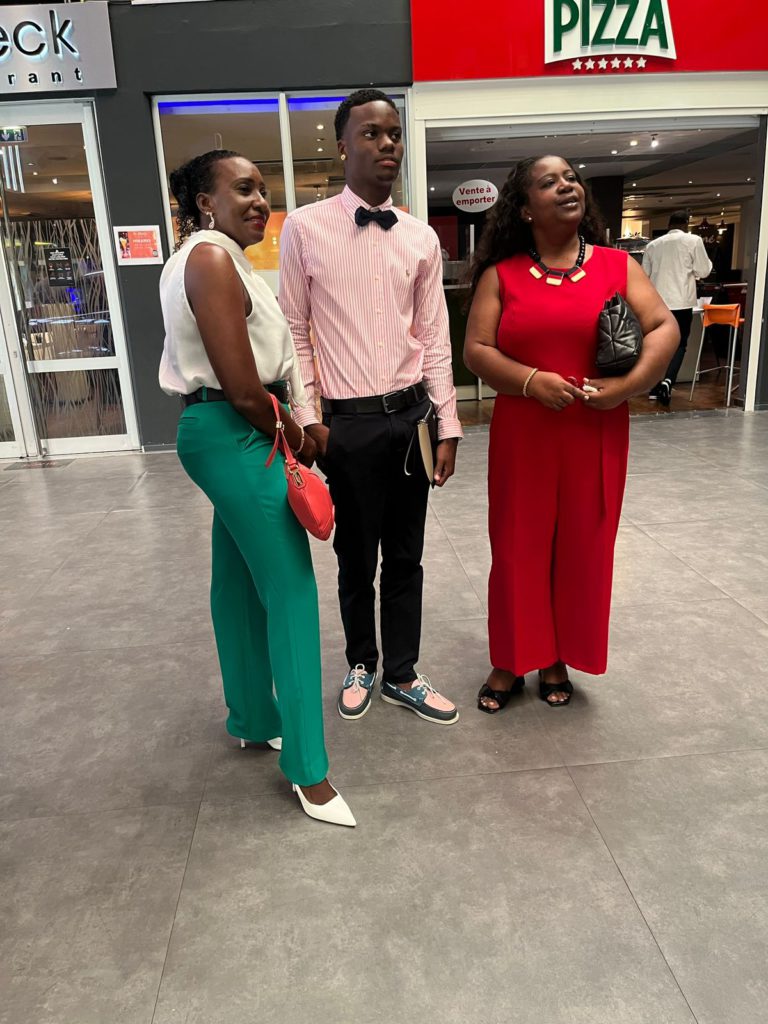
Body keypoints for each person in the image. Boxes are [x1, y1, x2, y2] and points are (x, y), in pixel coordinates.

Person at [158, 150, 355, 827]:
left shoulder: (217, 260)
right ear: (204, 202)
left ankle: (250, 715)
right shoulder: (210, 259)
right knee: (292, 594)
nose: (259, 201)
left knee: (239, 579)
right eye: (242, 189)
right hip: (238, 428)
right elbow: (245, 388)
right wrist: (300, 438)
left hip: (231, 428)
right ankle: (308, 771)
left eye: (262, 190)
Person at [464, 155, 678, 711]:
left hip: (595, 430)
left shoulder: (616, 265)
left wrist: (628, 386)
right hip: (525, 433)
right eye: (549, 182)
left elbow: (664, 326)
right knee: (518, 546)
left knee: (584, 546)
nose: (566, 186)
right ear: (525, 208)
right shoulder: (501, 275)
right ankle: (512, 656)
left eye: (571, 179)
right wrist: (530, 381)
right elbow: (477, 350)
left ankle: (557, 655)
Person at [279, 89, 462, 726]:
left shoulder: (420, 237)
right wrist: (310, 421)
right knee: (355, 557)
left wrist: (447, 424)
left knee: (407, 555)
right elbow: (294, 332)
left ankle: (402, 673)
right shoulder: (304, 228)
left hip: (412, 420)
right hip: (346, 423)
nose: (387, 144)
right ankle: (361, 661)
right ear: (342, 146)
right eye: (371, 133)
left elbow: (434, 337)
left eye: (394, 134)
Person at [642, 211, 712, 406]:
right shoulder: (694, 241)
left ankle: (654, 385)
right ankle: (667, 381)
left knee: (656, 344)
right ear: (686, 224)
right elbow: (704, 270)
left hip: (657, 303)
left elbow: (644, 275)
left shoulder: (653, 245)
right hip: (681, 302)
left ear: (669, 224)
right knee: (679, 344)